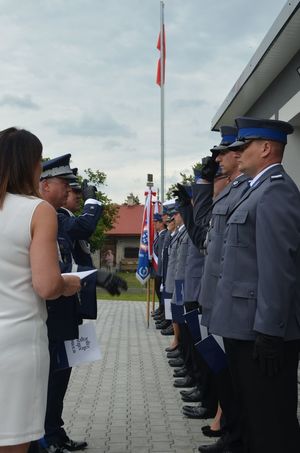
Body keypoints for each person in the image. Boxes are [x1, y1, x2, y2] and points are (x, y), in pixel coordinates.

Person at [208, 117, 300, 453]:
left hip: (260, 332)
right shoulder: (256, 190)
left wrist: (270, 331)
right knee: (252, 418)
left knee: (271, 425)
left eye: (243, 145)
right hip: (243, 328)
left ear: (265, 148)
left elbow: (278, 268)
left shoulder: (276, 192)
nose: (237, 152)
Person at [0, 128, 80, 453]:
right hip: (17, 344)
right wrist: (71, 283)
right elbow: (47, 285)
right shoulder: (37, 210)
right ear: (31, 165)